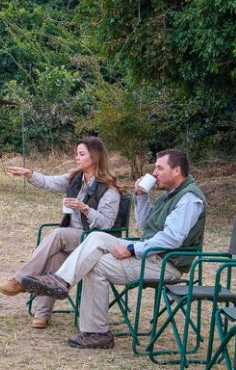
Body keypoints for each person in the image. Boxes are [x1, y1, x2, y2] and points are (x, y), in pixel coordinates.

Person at [20, 149, 206, 348]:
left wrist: (133, 249)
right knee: (96, 237)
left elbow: (171, 239)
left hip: (167, 263)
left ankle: (96, 330)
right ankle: (62, 283)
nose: (154, 173)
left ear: (177, 171)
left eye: (160, 168)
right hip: (151, 254)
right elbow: (146, 225)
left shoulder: (189, 199)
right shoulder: (169, 194)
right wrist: (141, 197)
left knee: (95, 264)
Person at [0, 137, 123, 329]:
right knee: (55, 257)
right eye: (77, 154)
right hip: (72, 240)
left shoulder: (109, 189)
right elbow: (49, 182)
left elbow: (106, 225)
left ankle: (20, 280)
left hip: (94, 240)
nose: (76, 158)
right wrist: (29, 173)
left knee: (58, 234)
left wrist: (85, 209)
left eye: (81, 154)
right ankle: (42, 315)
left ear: (95, 157)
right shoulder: (75, 178)